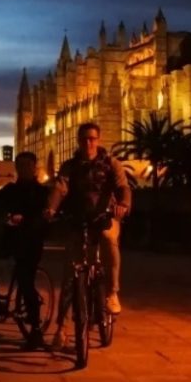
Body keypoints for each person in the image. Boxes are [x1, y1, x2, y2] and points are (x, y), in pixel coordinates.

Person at [44, 122, 131, 350]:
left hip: (105, 217)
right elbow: (60, 187)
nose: (88, 143)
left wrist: (122, 204)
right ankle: (61, 328)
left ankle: (112, 292)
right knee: (69, 275)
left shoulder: (111, 163)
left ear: (98, 140)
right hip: (78, 220)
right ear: (78, 141)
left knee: (109, 240)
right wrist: (51, 208)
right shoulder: (70, 166)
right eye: (84, 139)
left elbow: (123, 186)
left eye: (92, 138)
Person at [0, 151, 49, 350]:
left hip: (31, 242)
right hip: (12, 239)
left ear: (34, 167)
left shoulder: (41, 192)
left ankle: (35, 330)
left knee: (25, 280)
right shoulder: (11, 190)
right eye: (20, 165)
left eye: (28, 165)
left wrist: (25, 220)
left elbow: (42, 217)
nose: (24, 169)